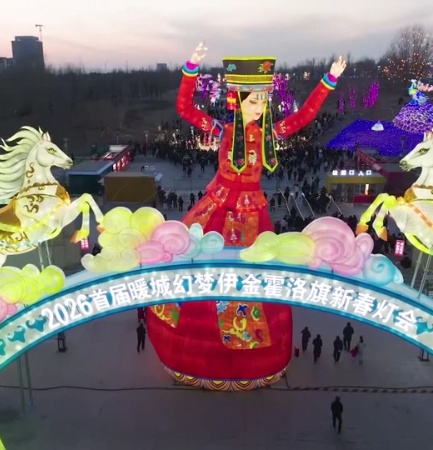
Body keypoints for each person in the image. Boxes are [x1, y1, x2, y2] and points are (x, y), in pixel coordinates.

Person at [145, 41, 346, 388]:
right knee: (190, 270)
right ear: (236, 101)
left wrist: (329, 80)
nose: (260, 108)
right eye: (253, 101)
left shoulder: (268, 135)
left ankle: (247, 350)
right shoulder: (223, 131)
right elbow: (185, 108)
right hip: (216, 205)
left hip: (251, 213)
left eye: (263, 101)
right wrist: (191, 68)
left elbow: (303, 117)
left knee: (251, 286)